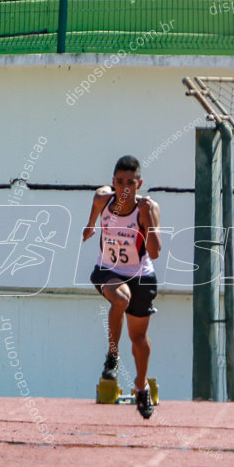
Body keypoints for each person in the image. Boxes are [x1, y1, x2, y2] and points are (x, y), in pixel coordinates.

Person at [82, 155, 161, 420]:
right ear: (112, 182)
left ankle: (141, 386)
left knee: (138, 340)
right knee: (121, 299)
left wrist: (148, 219)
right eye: (119, 182)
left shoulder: (147, 208)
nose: (124, 188)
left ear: (139, 184)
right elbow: (94, 216)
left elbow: (155, 251)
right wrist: (90, 227)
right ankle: (112, 356)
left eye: (130, 182)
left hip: (141, 276)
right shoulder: (102, 199)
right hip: (108, 270)